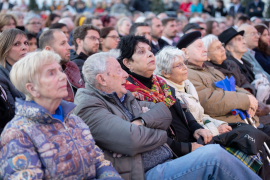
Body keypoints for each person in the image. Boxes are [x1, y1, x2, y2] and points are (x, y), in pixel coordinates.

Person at [73, 50, 261, 180]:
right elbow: (133, 140)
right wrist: (159, 132)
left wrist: (141, 121)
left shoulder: (123, 96)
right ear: (102, 79)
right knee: (214, 156)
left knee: (223, 150)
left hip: (168, 159)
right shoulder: (89, 106)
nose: (125, 75)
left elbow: (163, 111)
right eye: (118, 71)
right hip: (144, 173)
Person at [0, 50, 122, 180]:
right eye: (51, 73)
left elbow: (99, 161)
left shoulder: (74, 120)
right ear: (32, 89)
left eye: (60, 70)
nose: (63, 77)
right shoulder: (17, 133)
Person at [117, 35, 212, 157]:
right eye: (141, 52)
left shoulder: (161, 84)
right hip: (172, 153)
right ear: (127, 63)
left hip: (193, 141)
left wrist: (196, 127)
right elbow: (148, 133)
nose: (150, 54)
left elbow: (183, 108)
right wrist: (186, 148)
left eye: (149, 50)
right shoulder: (128, 93)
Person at [176, 31, 259, 125]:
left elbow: (234, 88)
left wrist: (251, 98)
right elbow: (208, 102)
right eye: (200, 46)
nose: (205, 50)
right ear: (185, 53)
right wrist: (245, 100)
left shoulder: (211, 70)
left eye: (204, 46)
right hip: (228, 126)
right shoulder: (187, 74)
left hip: (244, 121)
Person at [154, 46, 231, 136]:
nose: (185, 67)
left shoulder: (187, 85)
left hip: (208, 130)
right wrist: (216, 130)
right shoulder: (168, 94)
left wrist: (220, 124)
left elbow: (202, 116)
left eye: (183, 63)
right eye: (179, 65)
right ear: (165, 73)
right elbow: (186, 129)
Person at [39, 29, 85, 102]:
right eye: (63, 43)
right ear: (48, 50)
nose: (69, 47)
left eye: (67, 42)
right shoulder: (41, 74)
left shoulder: (71, 66)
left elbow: (83, 93)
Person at [0, 29, 28, 128]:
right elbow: (12, 111)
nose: (24, 47)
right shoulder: (1, 76)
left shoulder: (32, 69)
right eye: (17, 44)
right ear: (5, 49)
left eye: (25, 43)